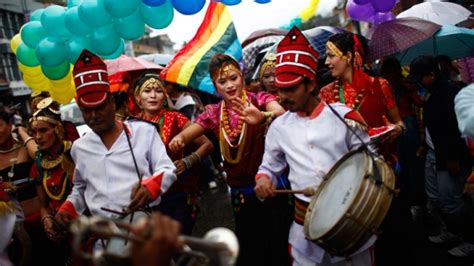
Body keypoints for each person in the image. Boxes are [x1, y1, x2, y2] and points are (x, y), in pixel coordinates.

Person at [254, 26, 374, 266]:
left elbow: (370, 160)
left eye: (291, 89)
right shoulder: (279, 128)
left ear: (310, 85)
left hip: (350, 220)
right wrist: (264, 180)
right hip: (304, 227)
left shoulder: (344, 117)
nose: (284, 96)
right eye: (280, 89)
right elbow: (269, 166)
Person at [169, 53, 290, 265]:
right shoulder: (215, 112)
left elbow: (282, 113)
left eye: (233, 78)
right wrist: (179, 138)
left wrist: (263, 117)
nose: (230, 85)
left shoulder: (260, 99)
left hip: (269, 187)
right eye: (222, 81)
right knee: (250, 248)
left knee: (277, 245)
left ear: (242, 77)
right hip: (239, 193)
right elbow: (192, 131)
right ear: (215, 87)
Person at [54, 50, 177, 252]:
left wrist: (151, 187)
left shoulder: (144, 132)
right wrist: (68, 209)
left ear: (112, 103)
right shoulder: (80, 148)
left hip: (144, 229)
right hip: (103, 239)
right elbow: (81, 188)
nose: (94, 116)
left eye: (100, 107)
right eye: (87, 111)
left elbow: (167, 169)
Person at [409, 55, 473, 257]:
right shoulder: (432, 92)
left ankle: (470, 240)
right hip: (434, 153)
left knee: (453, 201)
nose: (418, 81)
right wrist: (424, 145)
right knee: (437, 198)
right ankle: (453, 232)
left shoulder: (448, 92)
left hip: (449, 157)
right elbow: (432, 125)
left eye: (421, 77)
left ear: (432, 74)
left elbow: (454, 129)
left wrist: (452, 159)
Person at [134, 73, 213, 235]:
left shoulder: (177, 118)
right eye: (147, 91)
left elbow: (207, 144)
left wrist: (187, 161)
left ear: (165, 96)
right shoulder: (132, 125)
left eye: (158, 90)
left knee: (178, 246)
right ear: (138, 98)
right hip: (147, 199)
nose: (153, 95)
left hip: (177, 194)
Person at [29, 97, 74, 264]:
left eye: (43, 130)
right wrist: (47, 220)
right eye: (34, 133)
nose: (37, 137)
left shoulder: (75, 154)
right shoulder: (40, 164)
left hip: (83, 228)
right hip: (58, 232)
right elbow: (43, 205)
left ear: (58, 129)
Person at [0, 108, 36, 265]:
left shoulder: (25, 149)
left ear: (9, 125)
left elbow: (40, 157)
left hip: (39, 224)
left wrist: (22, 132)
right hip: (11, 236)